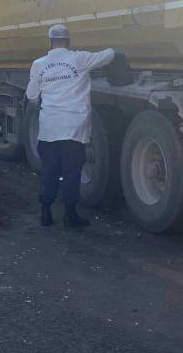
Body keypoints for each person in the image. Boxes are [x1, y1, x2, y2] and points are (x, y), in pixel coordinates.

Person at [25, 24, 115, 228]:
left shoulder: (39, 64)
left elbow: (31, 96)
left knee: (49, 170)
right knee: (72, 171)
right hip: (74, 127)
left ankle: (45, 214)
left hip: (50, 127)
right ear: (69, 41)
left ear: (50, 41)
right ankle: (70, 215)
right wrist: (113, 50)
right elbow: (106, 56)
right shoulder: (79, 59)